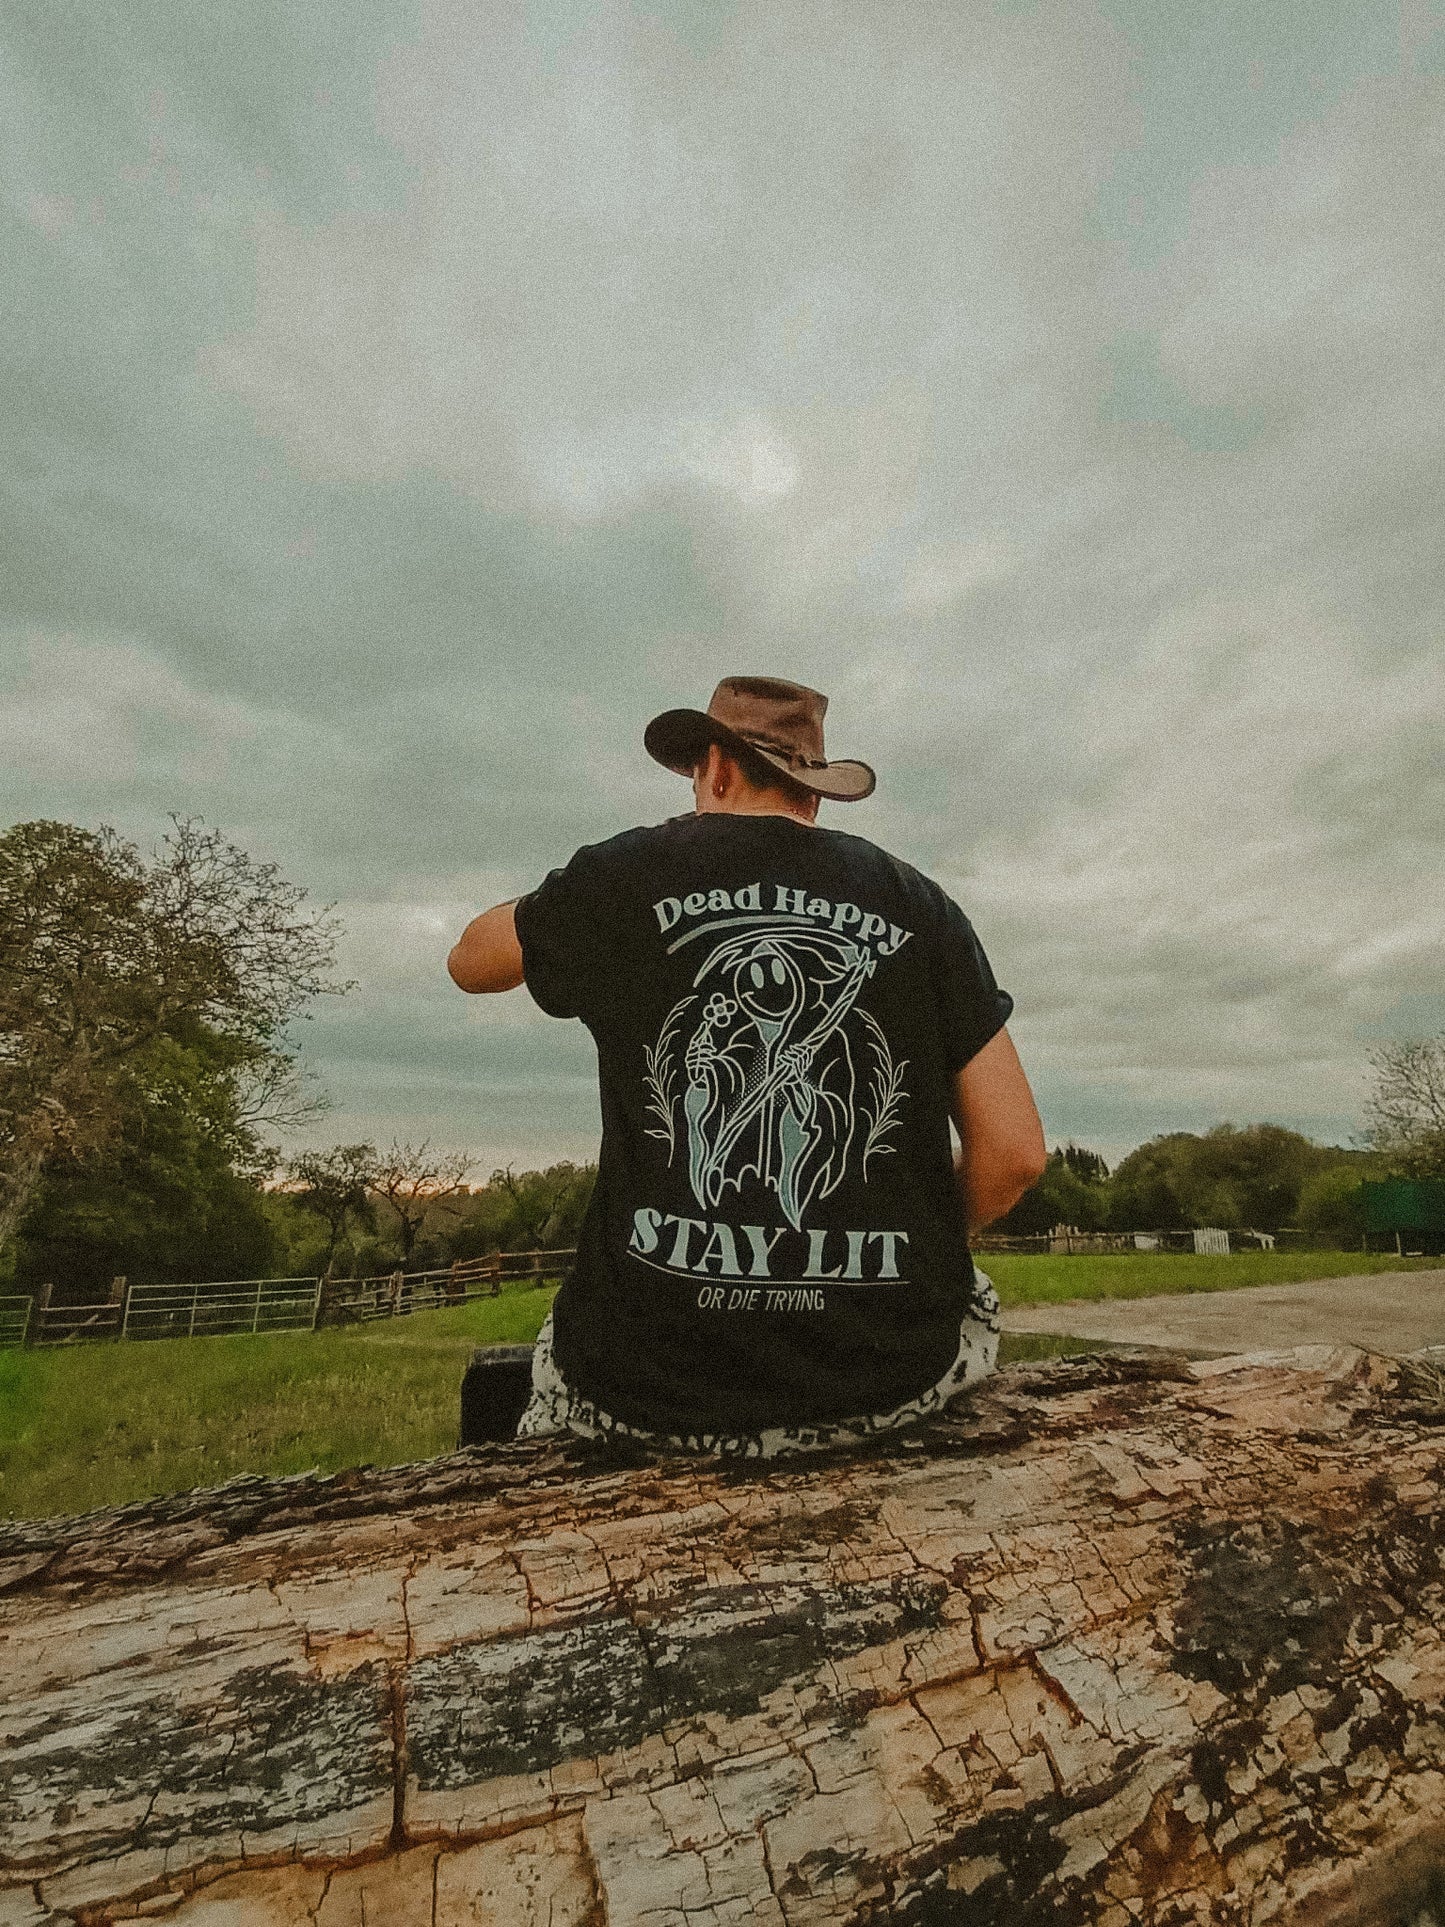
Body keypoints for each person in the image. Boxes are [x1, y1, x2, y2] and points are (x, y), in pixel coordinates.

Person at [448, 675, 1046, 1456]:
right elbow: (1016, 1156)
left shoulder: (622, 876)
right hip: (895, 1384)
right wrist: (921, 1236)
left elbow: (469, 961)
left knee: (552, 1381)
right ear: (813, 794)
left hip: (640, 1395)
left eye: (698, 773)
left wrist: (580, 895)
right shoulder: (917, 903)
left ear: (716, 768)